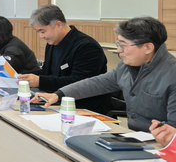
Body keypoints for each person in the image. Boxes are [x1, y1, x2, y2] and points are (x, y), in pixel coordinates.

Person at [33, 17, 176, 132]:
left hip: (161, 144)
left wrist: (167, 136)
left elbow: (172, 128)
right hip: (135, 136)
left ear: (148, 47)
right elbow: (96, 83)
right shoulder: (125, 67)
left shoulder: (171, 74)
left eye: (123, 45)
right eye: (118, 44)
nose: (119, 50)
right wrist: (58, 94)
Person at [18, 5, 111, 114]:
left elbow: (79, 83)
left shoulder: (87, 46)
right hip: (56, 101)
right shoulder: (52, 43)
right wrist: (26, 76)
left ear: (58, 25)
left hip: (85, 108)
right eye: (38, 32)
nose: (40, 36)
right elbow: (47, 71)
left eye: (42, 31)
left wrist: (40, 81)